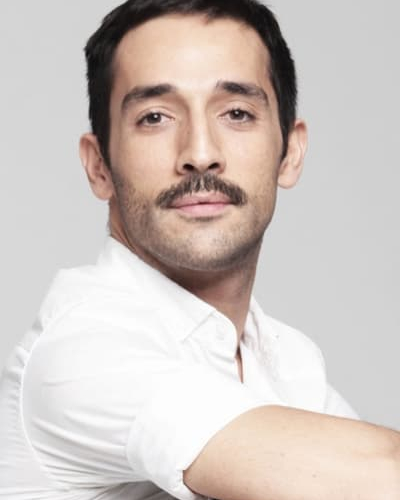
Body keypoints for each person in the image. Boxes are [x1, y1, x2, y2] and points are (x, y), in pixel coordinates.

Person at [0, 0, 398, 499]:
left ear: (290, 153)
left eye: (237, 113)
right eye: (155, 117)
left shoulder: (286, 359)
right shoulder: (84, 350)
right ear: (99, 166)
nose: (200, 154)